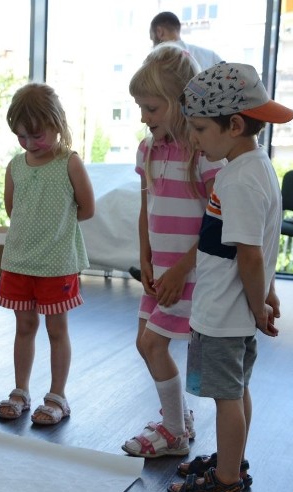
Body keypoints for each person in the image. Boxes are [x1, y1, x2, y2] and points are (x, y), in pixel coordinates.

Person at [168, 63, 293, 492]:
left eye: (200, 128)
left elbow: (250, 254)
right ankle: (231, 461)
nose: (196, 139)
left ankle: (226, 482)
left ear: (235, 124)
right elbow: (262, 242)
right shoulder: (259, 168)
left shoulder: (236, 178)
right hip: (235, 310)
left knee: (226, 396)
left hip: (224, 314)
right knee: (237, 390)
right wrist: (267, 292)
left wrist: (259, 302)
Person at [121, 44, 224, 458]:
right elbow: (147, 210)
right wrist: (145, 258)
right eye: (141, 108)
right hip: (161, 271)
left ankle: (174, 432)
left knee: (152, 345)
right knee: (145, 342)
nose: (143, 118)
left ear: (181, 105)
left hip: (189, 272)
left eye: (151, 108)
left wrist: (182, 269)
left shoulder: (202, 155)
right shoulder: (148, 150)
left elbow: (218, 222)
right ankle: (177, 417)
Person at [0, 83, 95, 425]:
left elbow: (87, 208)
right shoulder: (16, 165)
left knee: (56, 330)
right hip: (20, 261)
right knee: (24, 326)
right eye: (21, 136)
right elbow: (13, 210)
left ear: (57, 123)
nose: (28, 143)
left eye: (36, 135)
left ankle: (57, 396)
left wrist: (57, 229)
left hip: (57, 264)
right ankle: (20, 390)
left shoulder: (70, 162)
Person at [149, 11, 222, 73]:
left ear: (159, 31)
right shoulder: (211, 56)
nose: (153, 44)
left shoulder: (155, 63)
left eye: (152, 38)